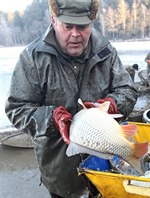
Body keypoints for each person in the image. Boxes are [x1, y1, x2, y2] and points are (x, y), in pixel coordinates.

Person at [5, 0, 138, 197]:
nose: (75, 34)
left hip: (105, 166)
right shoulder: (33, 58)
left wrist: (113, 104)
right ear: (54, 21)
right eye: (68, 26)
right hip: (60, 169)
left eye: (83, 27)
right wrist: (52, 118)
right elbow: (16, 108)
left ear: (92, 24)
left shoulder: (105, 51)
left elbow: (127, 89)